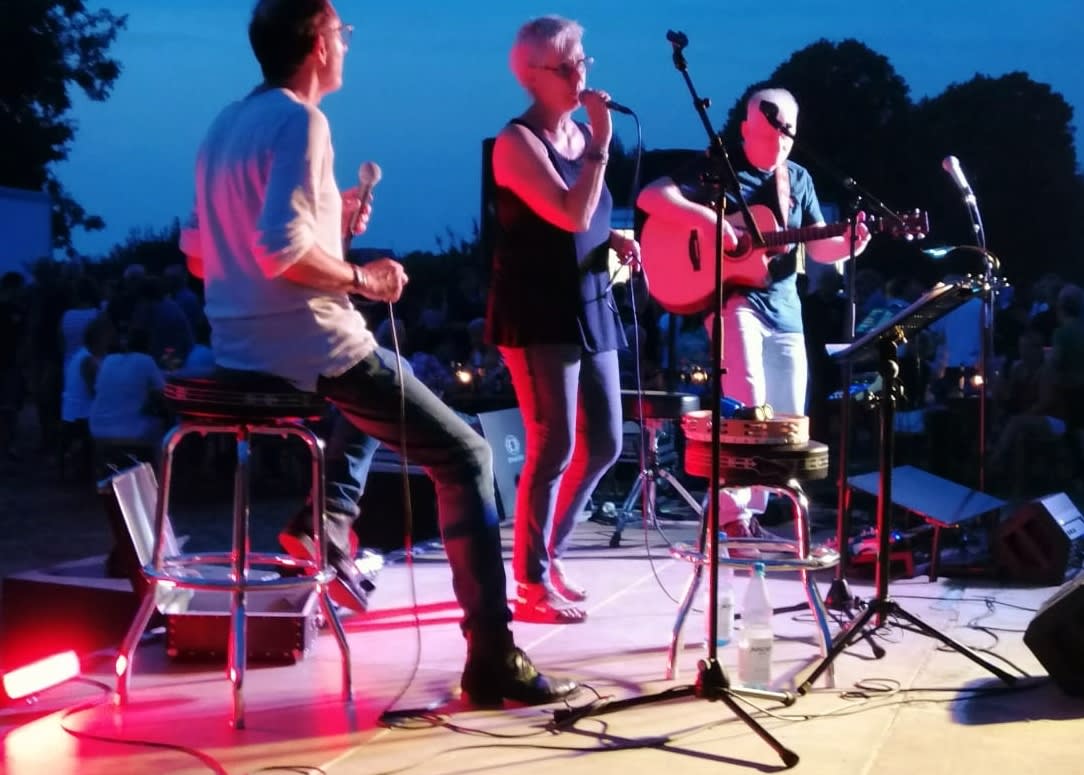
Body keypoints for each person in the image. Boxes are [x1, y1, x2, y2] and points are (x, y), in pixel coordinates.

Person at [178, 0, 575, 707]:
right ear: (317, 44)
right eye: (343, 33)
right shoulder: (302, 122)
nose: (348, 45)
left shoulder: (222, 126)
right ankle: (492, 656)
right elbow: (280, 253)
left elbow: (205, 255)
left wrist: (332, 222)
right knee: (466, 455)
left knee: (388, 380)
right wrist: (365, 278)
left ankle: (323, 521)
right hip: (305, 344)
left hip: (237, 346)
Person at [637, 85, 870, 539]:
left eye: (787, 132)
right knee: (746, 405)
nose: (779, 141)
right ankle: (731, 514)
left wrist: (851, 244)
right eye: (769, 132)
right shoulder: (719, 168)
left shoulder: (797, 179)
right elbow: (651, 197)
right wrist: (709, 221)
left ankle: (758, 510)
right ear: (746, 128)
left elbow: (819, 247)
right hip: (734, 301)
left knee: (787, 417)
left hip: (785, 308)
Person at [485, 15, 640, 624]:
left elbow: (587, 222)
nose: (581, 74)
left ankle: (549, 556)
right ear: (533, 76)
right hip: (538, 310)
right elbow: (568, 214)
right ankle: (529, 582)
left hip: (590, 298)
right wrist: (601, 141)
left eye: (583, 61)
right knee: (554, 444)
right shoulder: (517, 142)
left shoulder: (579, 137)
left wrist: (613, 239)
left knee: (605, 443)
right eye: (567, 65)